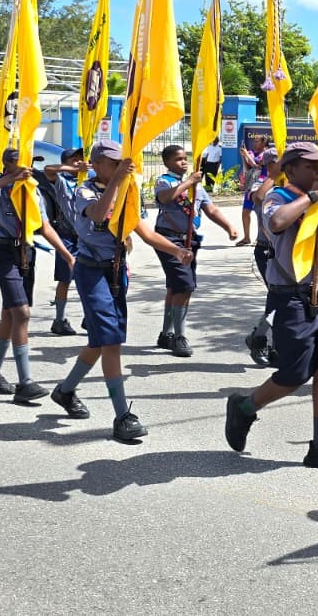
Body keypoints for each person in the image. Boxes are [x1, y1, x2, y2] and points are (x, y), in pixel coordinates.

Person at [49, 141, 194, 441]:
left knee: (101, 341)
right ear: (98, 163)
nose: (119, 168)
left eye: (121, 164)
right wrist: (117, 180)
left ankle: (65, 391)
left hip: (116, 271)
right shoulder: (84, 190)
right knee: (111, 341)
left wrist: (177, 251)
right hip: (91, 271)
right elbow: (100, 216)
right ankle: (122, 416)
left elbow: (145, 231)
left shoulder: (127, 191)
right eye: (113, 163)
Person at [224, 141, 318, 471]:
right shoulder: (278, 197)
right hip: (291, 296)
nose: (317, 171)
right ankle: (244, 407)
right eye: (310, 166)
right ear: (291, 168)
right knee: (294, 374)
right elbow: (278, 222)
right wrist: (312, 197)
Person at [0, 147, 75, 403]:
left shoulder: (32, 188)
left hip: (26, 251)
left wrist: (67, 255)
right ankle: (25, 382)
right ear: (7, 164)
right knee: (22, 313)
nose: (25, 167)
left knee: (10, 314)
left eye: (27, 163)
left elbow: (44, 225)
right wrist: (8, 180)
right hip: (2, 250)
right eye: (18, 163)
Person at [153, 144, 239, 356]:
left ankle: (167, 333)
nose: (183, 162)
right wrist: (189, 181)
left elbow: (210, 209)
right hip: (169, 240)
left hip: (190, 241)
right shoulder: (165, 181)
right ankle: (180, 337)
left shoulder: (197, 187)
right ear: (167, 163)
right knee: (185, 286)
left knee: (175, 287)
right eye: (177, 159)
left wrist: (228, 226)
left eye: (185, 158)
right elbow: (166, 198)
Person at [39, 147, 86, 336]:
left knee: (88, 278)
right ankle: (59, 319)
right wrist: (73, 169)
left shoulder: (86, 181)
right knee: (65, 279)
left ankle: (89, 317)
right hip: (66, 235)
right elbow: (48, 170)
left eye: (81, 159)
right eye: (75, 159)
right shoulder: (61, 181)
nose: (79, 162)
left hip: (85, 237)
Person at [243, 147, 280, 366]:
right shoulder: (261, 181)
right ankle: (259, 338)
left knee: (282, 300)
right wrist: (274, 177)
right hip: (267, 250)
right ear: (270, 163)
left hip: (287, 251)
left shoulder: (289, 182)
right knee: (278, 297)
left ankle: (266, 341)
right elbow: (257, 198)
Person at [236, 135, 266, 247]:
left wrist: (247, 155)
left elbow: (257, 166)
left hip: (262, 185)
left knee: (260, 213)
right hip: (251, 185)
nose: (254, 143)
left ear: (263, 143)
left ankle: (260, 238)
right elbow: (249, 168)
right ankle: (246, 237)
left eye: (257, 141)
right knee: (245, 212)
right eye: (254, 141)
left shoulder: (266, 154)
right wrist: (244, 157)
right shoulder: (251, 153)